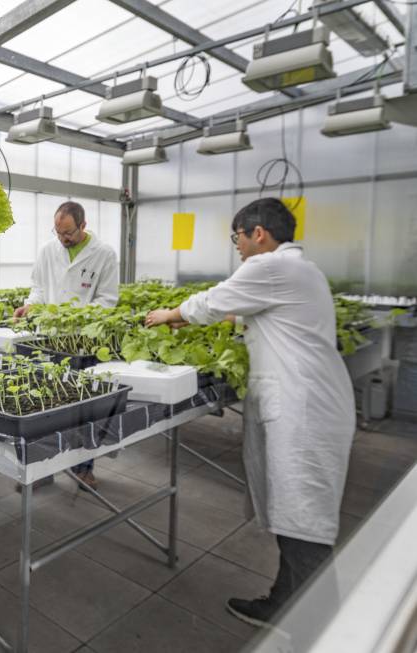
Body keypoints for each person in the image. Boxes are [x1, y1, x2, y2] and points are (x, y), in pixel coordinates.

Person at [145, 198, 354, 628]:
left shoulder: (270, 268)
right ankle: (285, 603)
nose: (236, 247)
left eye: (236, 237)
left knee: (304, 520)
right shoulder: (301, 269)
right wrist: (198, 319)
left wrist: (169, 314)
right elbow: (240, 310)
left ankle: (325, 629)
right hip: (310, 403)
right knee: (296, 514)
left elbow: (214, 301)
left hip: (304, 411)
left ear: (258, 233)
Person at [14, 201, 119, 489]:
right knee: (42, 403)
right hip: (48, 339)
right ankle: (40, 471)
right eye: (58, 232)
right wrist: (30, 306)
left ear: (83, 226)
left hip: (81, 342)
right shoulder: (48, 250)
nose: (63, 239)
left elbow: (108, 300)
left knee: (84, 408)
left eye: (68, 233)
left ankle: (83, 468)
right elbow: (38, 287)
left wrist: (74, 316)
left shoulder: (104, 254)